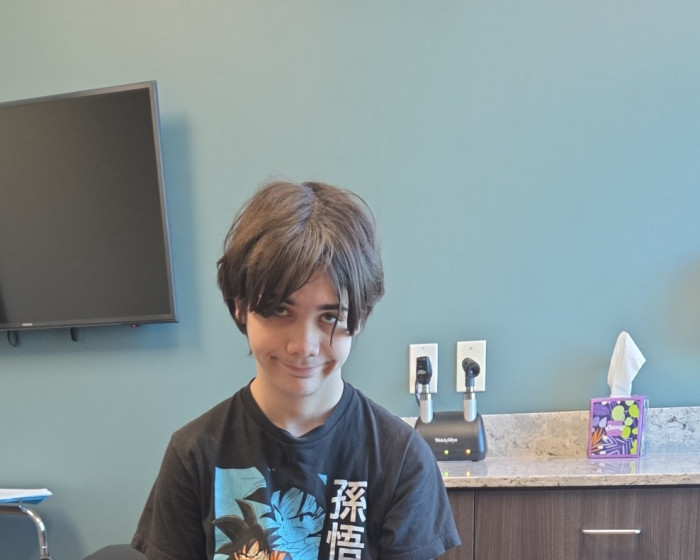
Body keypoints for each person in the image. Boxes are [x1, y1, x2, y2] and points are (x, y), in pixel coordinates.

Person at [131, 180, 460, 560]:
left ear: (359, 318)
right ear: (240, 307)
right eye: (279, 310)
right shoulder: (193, 453)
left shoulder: (402, 459)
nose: (303, 345)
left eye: (330, 316)